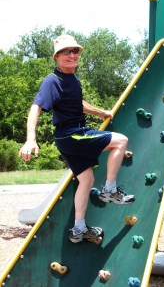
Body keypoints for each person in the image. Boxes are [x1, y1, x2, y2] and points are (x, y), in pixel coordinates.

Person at [19, 34, 135, 243]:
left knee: (87, 179)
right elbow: (36, 107)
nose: (71, 55)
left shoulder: (71, 79)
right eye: (65, 52)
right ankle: (110, 190)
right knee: (121, 141)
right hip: (72, 134)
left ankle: (79, 229)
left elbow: (77, 103)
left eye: (74, 51)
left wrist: (101, 113)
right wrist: (30, 139)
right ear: (56, 57)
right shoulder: (52, 81)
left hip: (69, 136)